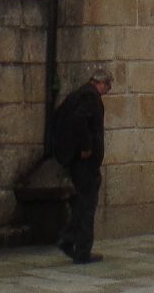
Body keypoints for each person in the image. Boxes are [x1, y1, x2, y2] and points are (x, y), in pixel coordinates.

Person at [45, 68, 112, 264]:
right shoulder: (90, 96)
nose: (108, 90)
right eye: (108, 86)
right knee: (87, 203)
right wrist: (86, 146)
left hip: (75, 159)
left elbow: (60, 117)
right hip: (84, 162)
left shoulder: (77, 94)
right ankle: (80, 248)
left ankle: (70, 239)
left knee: (84, 200)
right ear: (101, 82)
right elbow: (78, 120)